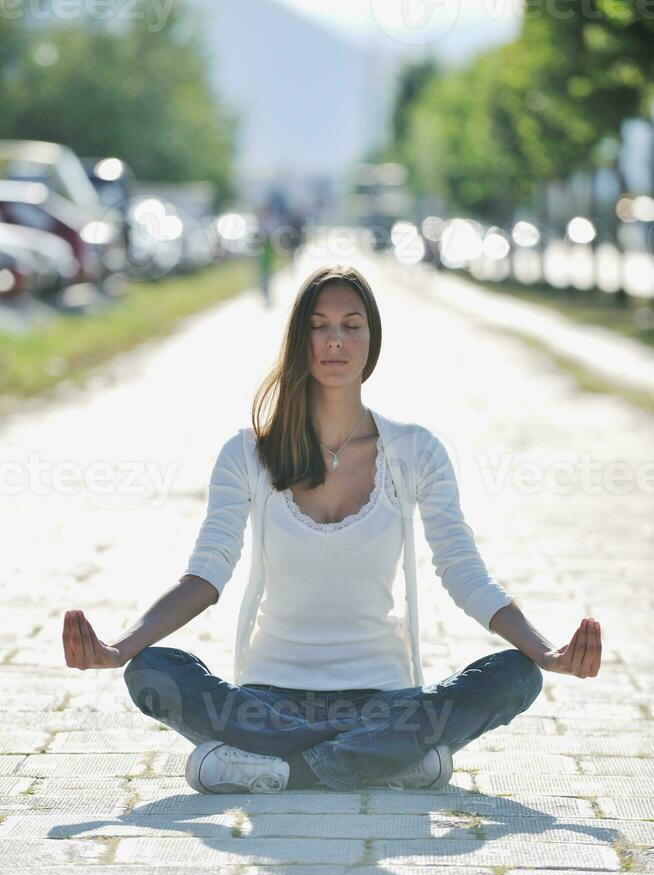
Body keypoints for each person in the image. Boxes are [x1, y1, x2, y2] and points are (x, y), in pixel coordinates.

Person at [62, 264, 603, 794]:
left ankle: (289, 769)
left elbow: (464, 573)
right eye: (319, 325)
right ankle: (383, 760)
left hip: (386, 700)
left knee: (516, 675)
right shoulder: (247, 454)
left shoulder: (416, 451)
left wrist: (546, 651)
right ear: (300, 339)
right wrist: (120, 647)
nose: (335, 341)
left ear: (373, 339)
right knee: (152, 669)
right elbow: (205, 576)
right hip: (270, 701)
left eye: (351, 325)